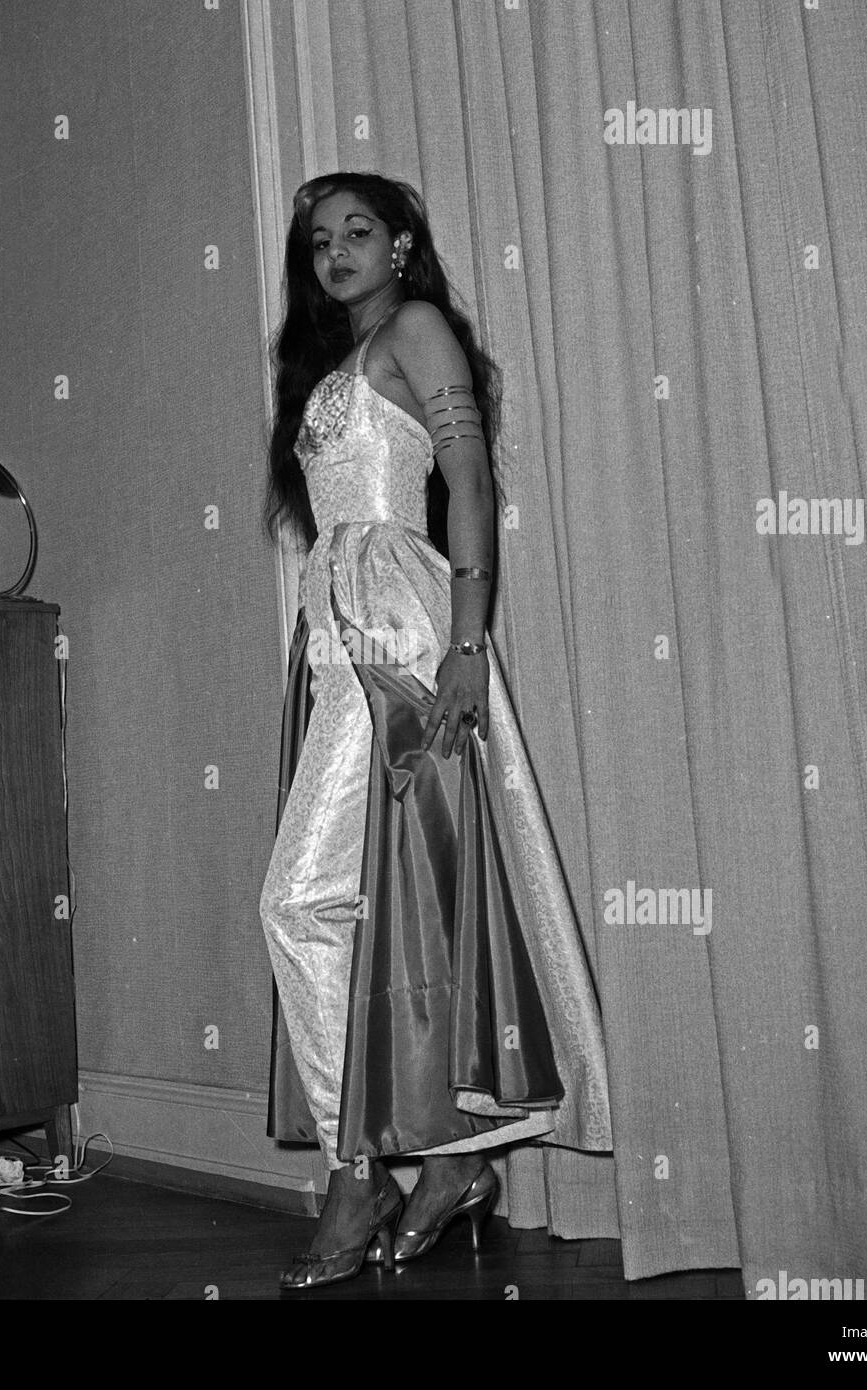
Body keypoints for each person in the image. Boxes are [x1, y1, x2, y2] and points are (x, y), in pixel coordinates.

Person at [260, 172, 609, 1290]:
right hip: (338, 633)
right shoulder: (324, 365)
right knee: (370, 904)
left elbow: (467, 478)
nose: (337, 252)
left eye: (359, 232)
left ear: (403, 247)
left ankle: (362, 1172)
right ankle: (434, 1163)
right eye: (320, 240)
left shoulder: (414, 330)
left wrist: (466, 643)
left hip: (403, 633)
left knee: (307, 897)